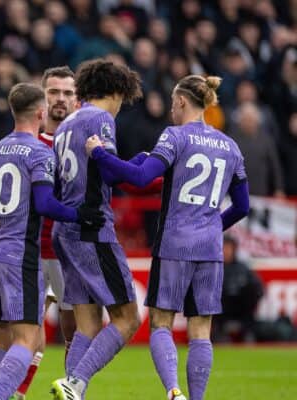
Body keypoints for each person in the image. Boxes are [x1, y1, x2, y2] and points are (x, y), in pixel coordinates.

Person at [85, 75, 250, 400]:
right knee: (201, 330)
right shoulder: (231, 145)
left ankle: (174, 392)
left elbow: (143, 177)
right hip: (210, 248)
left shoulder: (175, 136)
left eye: (173, 104)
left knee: (161, 322)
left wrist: (100, 154)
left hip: (175, 242)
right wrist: (215, 225)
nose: (172, 111)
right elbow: (242, 206)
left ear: (181, 102)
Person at [0, 82, 105, 400]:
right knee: (27, 338)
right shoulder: (39, 152)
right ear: (40, 112)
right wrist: (81, 215)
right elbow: (46, 205)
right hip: (18, 252)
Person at [50, 59, 143, 400]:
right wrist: (141, 168)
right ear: (117, 91)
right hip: (92, 229)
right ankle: (75, 384)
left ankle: (72, 391)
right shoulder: (100, 119)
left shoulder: (65, 124)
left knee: (87, 326)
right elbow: (110, 171)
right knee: (128, 318)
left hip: (65, 229)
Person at [12, 66, 78, 400]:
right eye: (54, 92)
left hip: (68, 249)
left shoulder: (83, 142)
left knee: (74, 328)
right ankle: (17, 392)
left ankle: (70, 388)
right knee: (26, 329)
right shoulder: (27, 139)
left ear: (77, 99)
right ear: (42, 96)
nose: (61, 99)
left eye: (68, 93)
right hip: (31, 247)